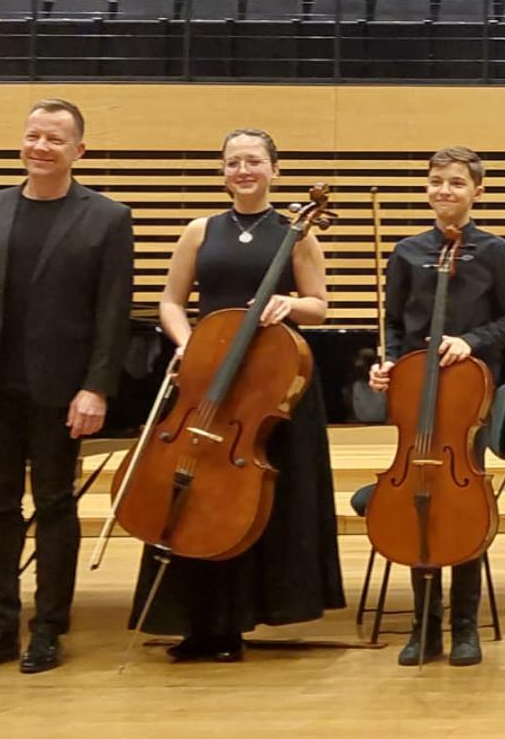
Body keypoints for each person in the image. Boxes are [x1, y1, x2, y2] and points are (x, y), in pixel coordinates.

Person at [0, 98, 134, 675]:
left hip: (62, 391)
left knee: (53, 505)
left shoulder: (108, 218)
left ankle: (48, 627)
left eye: (54, 139)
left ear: (80, 151)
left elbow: (111, 316)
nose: (41, 147)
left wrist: (96, 387)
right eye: (33, 137)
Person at [130, 128, 346, 662]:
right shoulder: (199, 231)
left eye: (253, 161)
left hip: (269, 384)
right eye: (233, 162)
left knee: (250, 493)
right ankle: (195, 623)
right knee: (194, 487)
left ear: (274, 168)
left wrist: (288, 305)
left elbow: (319, 305)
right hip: (208, 379)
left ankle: (243, 617)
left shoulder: (297, 234)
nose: (243, 170)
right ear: (223, 171)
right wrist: (190, 346)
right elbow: (170, 302)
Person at [366, 146, 505, 666]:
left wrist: (471, 341)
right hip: (416, 394)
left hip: (469, 398)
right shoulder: (409, 251)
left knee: (462, 504)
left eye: (456, 183)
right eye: (436, 181)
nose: (444, 190)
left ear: (477, 191)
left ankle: (464, 626)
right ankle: (423, 627)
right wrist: (386, 363)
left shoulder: (494, 251)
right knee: (419, 500)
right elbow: (392, 323)